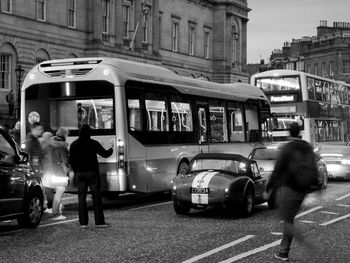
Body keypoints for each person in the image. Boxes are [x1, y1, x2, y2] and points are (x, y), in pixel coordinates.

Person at [264, 123, 318, 261]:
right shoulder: (307, 147)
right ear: (299, 132)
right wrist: (315, 186)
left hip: (289, 189)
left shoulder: (288, 148)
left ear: (289, 132)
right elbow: (314, 166)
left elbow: (278, 169)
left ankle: (305, 241)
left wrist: (269, 188)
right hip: (302, 190)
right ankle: (283, 252)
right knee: (289, 220)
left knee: (286, 222)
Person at [69, 124, 113, 228]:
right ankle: (99, 222)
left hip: (80, 174)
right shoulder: (93, 143)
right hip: (92, 173)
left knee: (81, 198)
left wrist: (76, 171)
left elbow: (71, 160)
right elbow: (105, 154)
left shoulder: (74, 144)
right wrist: (111, 147)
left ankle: (83, 222)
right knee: (96, 197)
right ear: (89, 133)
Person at [45, 128, 70, 220]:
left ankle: (56, 211)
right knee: (59, 192)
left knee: (57, 192)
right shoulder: (62, 145)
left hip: (53, 171)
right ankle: (55, 213)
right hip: (60, 172)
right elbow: (65, 160)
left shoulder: (50, 144)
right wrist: (67, 167)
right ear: (64, 135)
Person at [40, 131, 54, 213]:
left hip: (46, 171)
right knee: (49, 190)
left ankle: (49, 206)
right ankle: (50, 205)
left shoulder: (44, 147)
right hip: (50, 171)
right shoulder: (52, 146)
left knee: (47, 190)